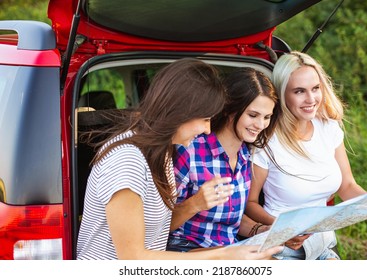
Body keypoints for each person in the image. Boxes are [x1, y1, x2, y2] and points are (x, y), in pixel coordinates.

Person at [76, 58, 282, 260]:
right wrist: (223, 255)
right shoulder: (127, 161)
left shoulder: (162, 153)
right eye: (205, 119)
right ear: (180, 112)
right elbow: (133, 259)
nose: (207, 129)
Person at [245, 51, 367, 260]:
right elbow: (250, 203)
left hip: (323, 244)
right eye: (299, 91)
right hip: (279, 247)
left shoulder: (329, 128)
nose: (311, 99)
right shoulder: (267, 139)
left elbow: (347, 187)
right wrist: (281, 228)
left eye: (315, 88)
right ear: (282, 94)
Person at [167, 67, 279, 252]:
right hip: (185, 249)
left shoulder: (245, 155)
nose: (260, 125)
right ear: (230, 108)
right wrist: (195, 204)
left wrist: (260, 230)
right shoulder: (189, 151)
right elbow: (159, 226)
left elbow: (227, 220)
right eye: (252, 115)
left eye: (267, 117)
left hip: (228, 248)